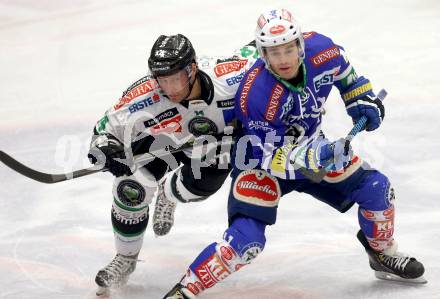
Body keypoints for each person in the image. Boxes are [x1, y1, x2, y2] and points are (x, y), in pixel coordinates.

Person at [163, 9, 426, 299]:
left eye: (289, 49)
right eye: (274, 53)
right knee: (245, 242)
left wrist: (361, 102)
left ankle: (382, 254)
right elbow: (268, 155)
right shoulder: (256, 93)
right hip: (259, 165)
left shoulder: (323, 50)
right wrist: (316, 155)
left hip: (316, 148)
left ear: (300, 43)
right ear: (263, 54)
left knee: (377, 189)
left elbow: (349, 78)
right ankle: (185, 289)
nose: (283, 59)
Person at [87, 34, 258, 295]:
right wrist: (105, 148)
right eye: (162, 80)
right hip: (163, 141)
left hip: (213, 143)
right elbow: (104, 128)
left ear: (192, 69)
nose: (169, 88)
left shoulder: (230, 76)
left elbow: (263, 51)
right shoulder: (145, 94)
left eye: (175, 78)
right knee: (131, 189)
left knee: (205, 180)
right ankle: (125, 259)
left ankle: (169, 194)